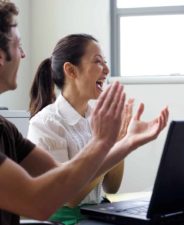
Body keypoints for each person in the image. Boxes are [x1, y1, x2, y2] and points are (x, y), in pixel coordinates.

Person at [0, 2, 169, 225]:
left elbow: (66, 176)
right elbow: (41, 202)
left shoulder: (6, 130)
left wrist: (127, 142)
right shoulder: (44, 121)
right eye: (18, 45)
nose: (23, 54)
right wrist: (102, 142)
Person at [27, 34, 132, 224]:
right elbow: (68, 197)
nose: (107, 70)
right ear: (71, 70)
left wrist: (119, 143)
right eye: (98, 62)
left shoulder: (97, 116)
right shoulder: (45, 124)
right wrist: (104, 146)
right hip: (66, 219)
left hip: (97, 212)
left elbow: (112, 187)